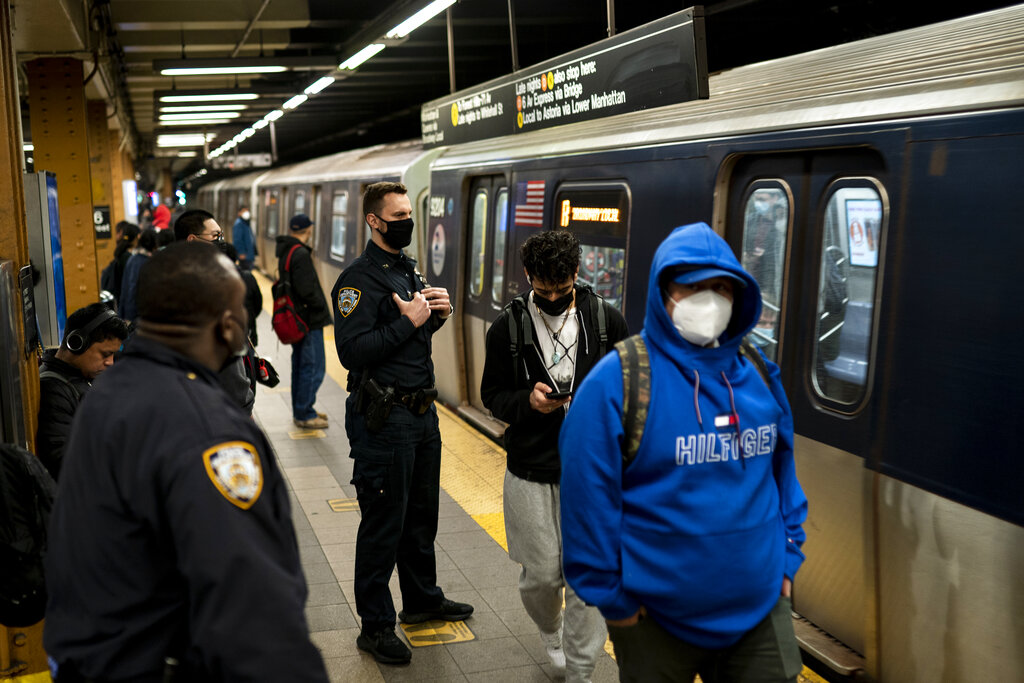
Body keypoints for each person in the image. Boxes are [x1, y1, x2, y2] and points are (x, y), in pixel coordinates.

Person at [44, 242, 329, 683]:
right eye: (239, 310)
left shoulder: (109, 392)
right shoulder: (208, 431)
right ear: (225, 321)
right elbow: (251, 606)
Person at [559, 222, 808, 683]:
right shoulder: (618, 383)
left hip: (759, 613)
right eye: (691, 286)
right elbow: (585, 502)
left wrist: (788, 559)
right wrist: (615, 604)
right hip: (653, 621)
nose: (707, 299)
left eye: (720, 287)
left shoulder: (757, 375)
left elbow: (783, 476)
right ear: (663, 292)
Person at [330, 181, 472, 665]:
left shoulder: (406, 269)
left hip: (421, 414)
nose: (407, 221)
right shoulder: (356, 282)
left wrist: (435, 316)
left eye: (410, 212)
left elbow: (409, 338)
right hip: (384, 418)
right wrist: (409, 321)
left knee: (420, 518)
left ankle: (421, 600)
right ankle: (375, 626)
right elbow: (352, 352)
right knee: (383, 524)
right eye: (398, 215)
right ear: (374, 221)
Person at [480, 230, 627, 681]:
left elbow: (631, 385)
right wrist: (529, 401)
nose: (554, 298)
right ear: (528, 278)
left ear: (576, 276)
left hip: (592, 472)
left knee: (587, 578)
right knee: (543, 575)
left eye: (562, 290)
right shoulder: (508, 327)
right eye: (543, 291)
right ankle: (551, 629)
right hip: (530, 467)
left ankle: (582, 671)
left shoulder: (605, 320)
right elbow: (492, 394)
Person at [172, 209, 255, 414]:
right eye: (215, 236)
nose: (221, 242)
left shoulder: (168, 279)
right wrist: (245, 405)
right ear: (192, 240)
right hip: (219, 406)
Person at [36, 303, 129, 479]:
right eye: (105, 354)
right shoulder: (54, 391)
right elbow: (62, 462)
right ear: (76, 343)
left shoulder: (82, 378)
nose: (110, 362)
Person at [276, 214, 331, 429]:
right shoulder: (300, 254)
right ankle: (305, 413)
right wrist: (320, 307)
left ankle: (301, 408)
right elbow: (307, 290)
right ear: (308, 230)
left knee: (300, 365)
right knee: (314, 366)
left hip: (297, 319)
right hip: (308, 320)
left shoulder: (287, 251)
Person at [117, 228, 157, 322]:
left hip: (127, 312)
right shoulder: (146, 262)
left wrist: (122, 314)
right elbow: (133, 288)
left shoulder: (132, 259)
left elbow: (125, 288)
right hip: (137, 316)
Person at [233, 205, 257, 270]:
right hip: (245, 256)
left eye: (247, 211)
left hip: (249, 255)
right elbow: (237, 240)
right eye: (244, 211)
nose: (246, 213)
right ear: (239, 213)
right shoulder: (239, 224)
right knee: (246, 273)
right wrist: (241, 252)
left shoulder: (245, 223)